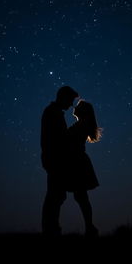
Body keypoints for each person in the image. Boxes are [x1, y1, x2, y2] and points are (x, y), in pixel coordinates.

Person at [41, 85, 79, 236]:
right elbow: (56, 139)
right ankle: (51, 231)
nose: (71, 105)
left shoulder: (54, 112)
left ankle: (51, 229)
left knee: (56, 195)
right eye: (70, 100)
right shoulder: (52, 113)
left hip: (54, 160)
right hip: (55, 160)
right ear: (63, 97)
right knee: (54, 196)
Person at [66, 99, 102, 237]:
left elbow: (69, 140)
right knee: (80, 196)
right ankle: (90, 227)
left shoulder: (82, 125)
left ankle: (90, 227)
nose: (75, 107)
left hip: (77, 162)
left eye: (79, 106)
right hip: (77, 161)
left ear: (84, 111)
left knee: (80, 196)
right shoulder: (82, 124)